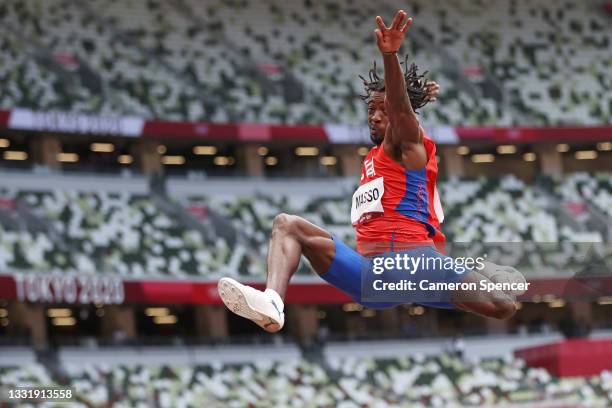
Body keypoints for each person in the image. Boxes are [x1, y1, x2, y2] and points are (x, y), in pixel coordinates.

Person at [218, 10, 522, 333]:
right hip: (372, 278)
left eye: (383, 110)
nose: (375, 117)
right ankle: (273, 303)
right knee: (287, 225)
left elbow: (402, 112)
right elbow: (399, 109)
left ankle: (457, 284)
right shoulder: (372, 159)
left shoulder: (408, 146)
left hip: (416, 263)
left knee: (503, 304)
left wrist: (390, 56)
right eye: (371, 110)